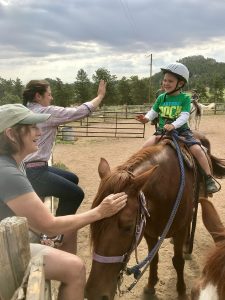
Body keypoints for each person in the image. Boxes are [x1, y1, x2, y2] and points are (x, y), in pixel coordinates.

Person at [0, 103, 127, 300]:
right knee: (75, 268)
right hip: (4, 251)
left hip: (8, 240)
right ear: (10, 133)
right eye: (32, 127)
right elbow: (50, 226)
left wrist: (39, 234)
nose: (39, 132)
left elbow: (28, 217)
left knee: (69, 233)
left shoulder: (13, 164)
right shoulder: (8, 172)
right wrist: (100, 212)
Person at [22, 79, 106, 246]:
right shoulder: (45, 113)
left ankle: (54, 220)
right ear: (38, 96)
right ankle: (54, 233)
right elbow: (79, 112)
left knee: (72, 178)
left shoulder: (25, 110)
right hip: (35, 171)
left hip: (30, 167)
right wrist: (100, 96)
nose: (51, 98)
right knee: (76, 194)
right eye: (49, 94)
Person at [136, 62, 219, 194]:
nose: (165, 83)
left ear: (180, 84)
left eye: (170, 81)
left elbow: (184, 116)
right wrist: (146, 118)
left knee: (198, 150)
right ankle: (133, 174)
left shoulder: (184, 98)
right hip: (162, 132)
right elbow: (153, 112)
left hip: (181, 131)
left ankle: (209, 178)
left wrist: (173, 125)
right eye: (164, 80)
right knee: (144, 148)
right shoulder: (161, 98)